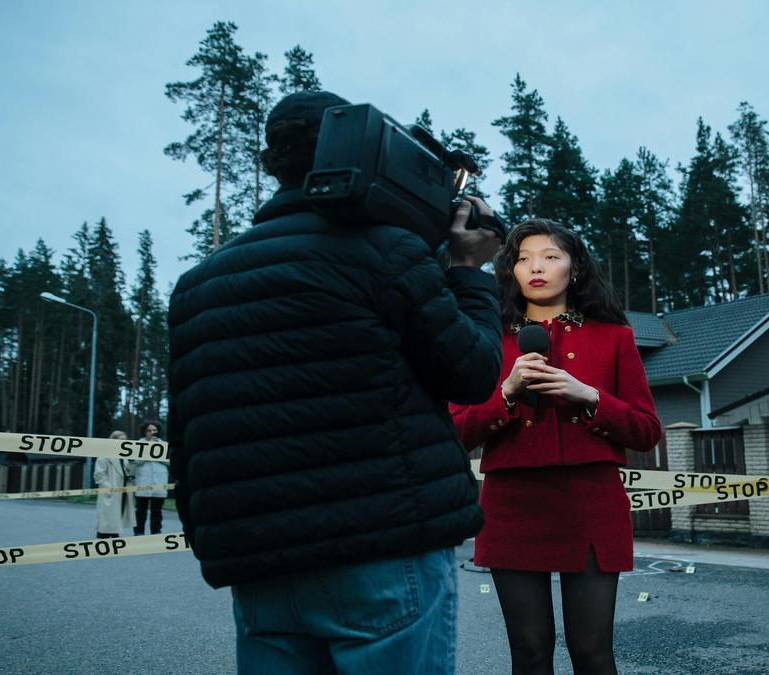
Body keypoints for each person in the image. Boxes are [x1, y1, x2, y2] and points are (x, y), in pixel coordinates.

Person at [167, 90, 503, 674]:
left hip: (260, 562)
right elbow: (472, 372)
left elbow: (190, 431)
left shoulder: (198, 284)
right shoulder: (384, 252)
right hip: (383, 549)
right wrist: (468, 271)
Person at [450, 219, 662, 675]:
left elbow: (646, 431)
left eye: (550, 256)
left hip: (591, 503)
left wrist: (590, 397)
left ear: (575, 267)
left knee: (592, 652)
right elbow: (456, 432)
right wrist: (506, 392)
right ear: (510, 271)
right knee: (528, 651)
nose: (536, 267)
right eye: (523, 259)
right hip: (511, 505)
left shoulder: (614, 336)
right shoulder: (487, 336)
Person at [93, 431, 135, 538]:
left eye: (125, 441)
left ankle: (114, 533)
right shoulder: (105, 455)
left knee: (117, 514)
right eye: (121, 441)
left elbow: (127, 471)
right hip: (111, 490)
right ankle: (103, 535)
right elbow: (99, 474)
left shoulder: (125, 455)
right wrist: (108, 487)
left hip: (123, 490)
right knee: (107, 516)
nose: (123, 443)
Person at [132, 421, 168, 536]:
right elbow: (137, 462)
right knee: (141, 511)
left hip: (159, 482)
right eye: (149, 430)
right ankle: (139, 532)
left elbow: (170, 462)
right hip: (143, 482)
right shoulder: (139, 444)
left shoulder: (164, 445)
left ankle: (156, 531)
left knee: (157, 511)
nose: (152, 432)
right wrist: (149, 449)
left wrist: (158, 455)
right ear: (144, 432)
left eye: (154, 430)